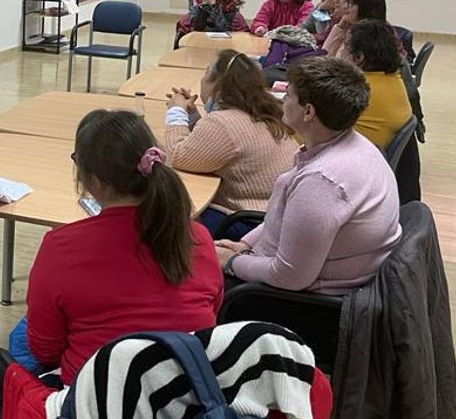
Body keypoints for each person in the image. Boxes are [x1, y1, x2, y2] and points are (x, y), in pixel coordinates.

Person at [10, 110, 223, 386]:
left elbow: (46, 351)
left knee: (20, 339)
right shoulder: (198, 237)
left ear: (96, 180)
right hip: (184, 398)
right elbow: (211, 313)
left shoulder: (61, 247)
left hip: (96, 408)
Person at [214, 57, 402, 295]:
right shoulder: (354, 145)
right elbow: (288, 220)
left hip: (289, 300)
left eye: (289, 95)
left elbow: (289, 276)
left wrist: (231, 262)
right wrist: (244, 245)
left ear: (308, 112)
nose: (283, 100)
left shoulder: (322, 183)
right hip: (297, 273)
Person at [163, 50, 300, 234]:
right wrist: (192, 115)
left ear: (217, 84)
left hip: (246, 222)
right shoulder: (263, 111)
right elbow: (208, 147)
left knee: (166, 217)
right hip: (275, 216)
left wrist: (176, 112)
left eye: (206, 73)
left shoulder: (223, 122)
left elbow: (178, 156)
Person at [348, 20, 414, 150]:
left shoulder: (358, 89)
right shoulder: (393, 77)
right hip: (374, 156)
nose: (341, 53)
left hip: (356, 158)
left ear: (359, 57)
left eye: (345, 48)